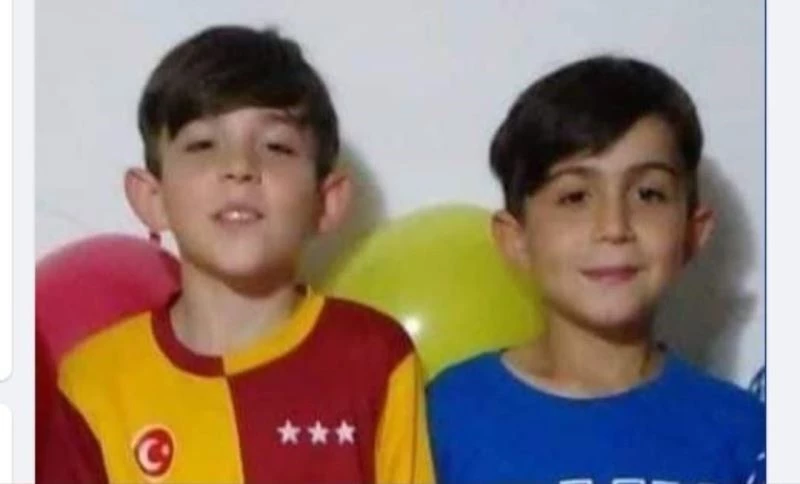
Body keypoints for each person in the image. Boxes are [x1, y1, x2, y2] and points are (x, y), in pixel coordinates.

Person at [45, 25, 433, 483]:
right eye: (202, 145)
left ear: (326, 202)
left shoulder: (375, 358)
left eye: (276, 147)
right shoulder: (94, 383)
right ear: (153, 198)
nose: (239, 167)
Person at [428, 55, 765, 484]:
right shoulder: (443, 418)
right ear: (515, 239)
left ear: (692, 233)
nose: (614, 227)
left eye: (648, 194)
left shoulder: (746, 433)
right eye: (574, 197)